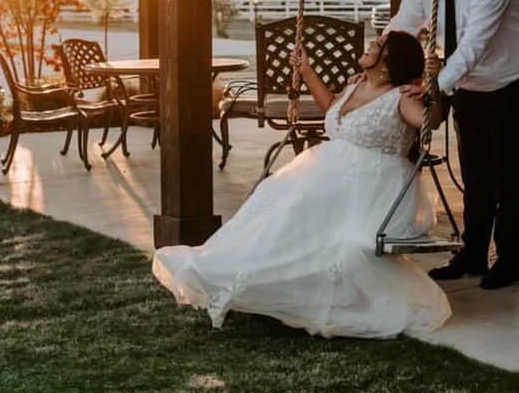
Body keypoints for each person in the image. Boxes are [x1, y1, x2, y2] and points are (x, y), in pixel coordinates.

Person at [152, 31, 451, 338]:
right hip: (329, 175)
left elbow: (431, 121)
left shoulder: (402, 98)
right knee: (278, 201)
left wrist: (433, 86)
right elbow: (331, 106)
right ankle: (225, 268)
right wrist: (306, 70)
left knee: (332, 235)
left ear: (387, 65)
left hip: (375, 191)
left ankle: (264, 280)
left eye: (378, 45)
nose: (370, 44)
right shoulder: (357, 84)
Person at [387, 0, 519, 290]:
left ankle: (509, 258)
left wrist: (435, 88)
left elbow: (476, 42)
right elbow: (404, 22)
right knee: (476, 173)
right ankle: (473, 253)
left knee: (511, 174)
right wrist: (381, 62)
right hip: (471, 82)